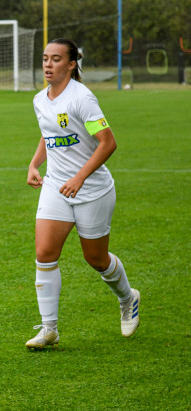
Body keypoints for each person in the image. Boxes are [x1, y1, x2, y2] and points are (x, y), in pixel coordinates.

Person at [25, 38, 140, 349]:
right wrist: (35, 164)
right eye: (46, 58)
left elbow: (108, 142)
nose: (48, 64)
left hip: (93, 190)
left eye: (56, 59)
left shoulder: (82, 99)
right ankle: (49, 329)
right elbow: (49, 133)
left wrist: (79, 178)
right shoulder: (39, 100)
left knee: (96, 258)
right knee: (45, 253)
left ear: (71, 64)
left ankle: (128, 298)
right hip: (55, 186)